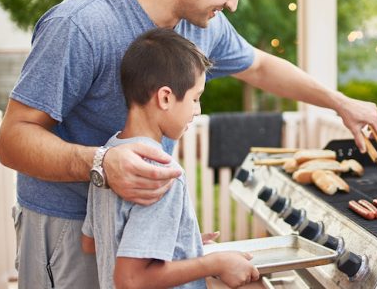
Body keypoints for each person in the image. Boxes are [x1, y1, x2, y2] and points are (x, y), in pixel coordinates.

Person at [0, 0, 377, 287]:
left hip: (129, 228)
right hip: (63, 225)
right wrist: (101, 163)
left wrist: (341, 103)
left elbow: (261, 66)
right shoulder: (83, 24)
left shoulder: (202, 26)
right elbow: (12, 140)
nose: (233, 5)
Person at [82, 28, 259, 289]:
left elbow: (92, 242)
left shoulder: (110, 155)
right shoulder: (161, 172)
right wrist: (215, 263)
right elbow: (130, 279)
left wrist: (179, 242)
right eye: (195, 98)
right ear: (165, 97)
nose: (198, 110)